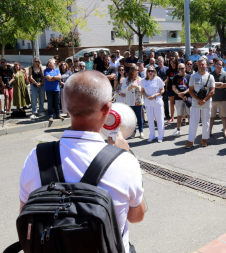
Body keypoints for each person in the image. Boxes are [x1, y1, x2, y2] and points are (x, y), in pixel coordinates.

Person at [19, 70, 145, 253]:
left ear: (66, 106)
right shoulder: (124, 161)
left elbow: (25, 213)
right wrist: (128, 155)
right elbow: (136, 216)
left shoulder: (36, 157)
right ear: (107, 108)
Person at [185, 58, 215, 148]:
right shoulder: (193, 76)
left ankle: (204, 139)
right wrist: (199, 100)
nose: (201, 66)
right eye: (200, 64)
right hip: (195, 102)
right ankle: (190, 140)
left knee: (206, 121)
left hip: (206, 102)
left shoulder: (210, 76)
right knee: (193, 122)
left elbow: (212, 91)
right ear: (197, 66)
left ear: (206, 65)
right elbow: (190, 90)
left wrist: (204, 100)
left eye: (203, 64)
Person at [140, 65, 165, 142]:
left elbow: (162, 90)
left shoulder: (158, 79)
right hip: (148, 103)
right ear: (147, 72)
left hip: (157, 102)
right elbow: (142, 91)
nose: (150, 73)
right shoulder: (143, 80)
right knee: (150, 120)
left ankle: (160, 136)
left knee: (159, 119)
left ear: (154, 72)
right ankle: (152, 135)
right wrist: (147, 96)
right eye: (149, 71)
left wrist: (155, 95)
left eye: (152, 71)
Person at [122, 65, 144, 139]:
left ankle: (141, 131)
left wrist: (137, 87)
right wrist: (130, 87)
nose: (138, 71)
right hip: (130, 101)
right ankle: (133, 132)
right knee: (132, 118)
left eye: (138, 70)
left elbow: (143, 89)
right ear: (132, 71)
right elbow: (122, 89)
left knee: (139, 117)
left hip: (138, 101)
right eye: (136, 70)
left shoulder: (139, 79)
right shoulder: (127, 80)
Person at [210, 59, 226, 138]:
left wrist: (214, 86)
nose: (218, 66)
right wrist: (219, 85)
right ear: (214, 65)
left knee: (223, 116)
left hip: (223, 98)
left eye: (220, 64)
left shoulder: (225, 74)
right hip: (212, 98)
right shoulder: (210, 74)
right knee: (212, 116)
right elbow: (208, 85)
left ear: (222, 66)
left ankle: (225, 131)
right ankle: (209, 131)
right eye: (217, 64)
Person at [172, 63, 191, 136]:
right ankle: (178, 129)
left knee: (189, 114)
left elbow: (190, 88)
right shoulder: (175, 77)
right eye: (179, 69)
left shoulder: (189, 76)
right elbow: (174, 88)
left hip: (188, 97)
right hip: (178, 98)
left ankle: (191, 130)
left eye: (182, 68)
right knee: (179, 115)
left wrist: (183, 93)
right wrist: (180, 94)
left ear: (185, 68)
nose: (180, 70)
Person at [44, 58, 63, 122]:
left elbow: (60, 77)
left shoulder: (57, 70)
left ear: (54, 63)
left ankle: (58, 114)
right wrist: (56, 78)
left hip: (56, 89)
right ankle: (51, 116)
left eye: (50, 63)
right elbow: (48, 79)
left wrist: (53, 77)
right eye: (48, 63)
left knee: (57, 103)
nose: (49, 64)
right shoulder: (46, 70)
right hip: (49, 89)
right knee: (50, 103)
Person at [165, 57, 179, 123]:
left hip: (178, 89)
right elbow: (167, 80)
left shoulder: (179, 70)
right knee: (171, 103)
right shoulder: (168, 71)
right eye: (171, 63)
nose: (172, 64)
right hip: (170, 89)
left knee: (179, 103)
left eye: (173, 63)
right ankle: (172, 117)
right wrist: (164, 85)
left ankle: (180, 117)